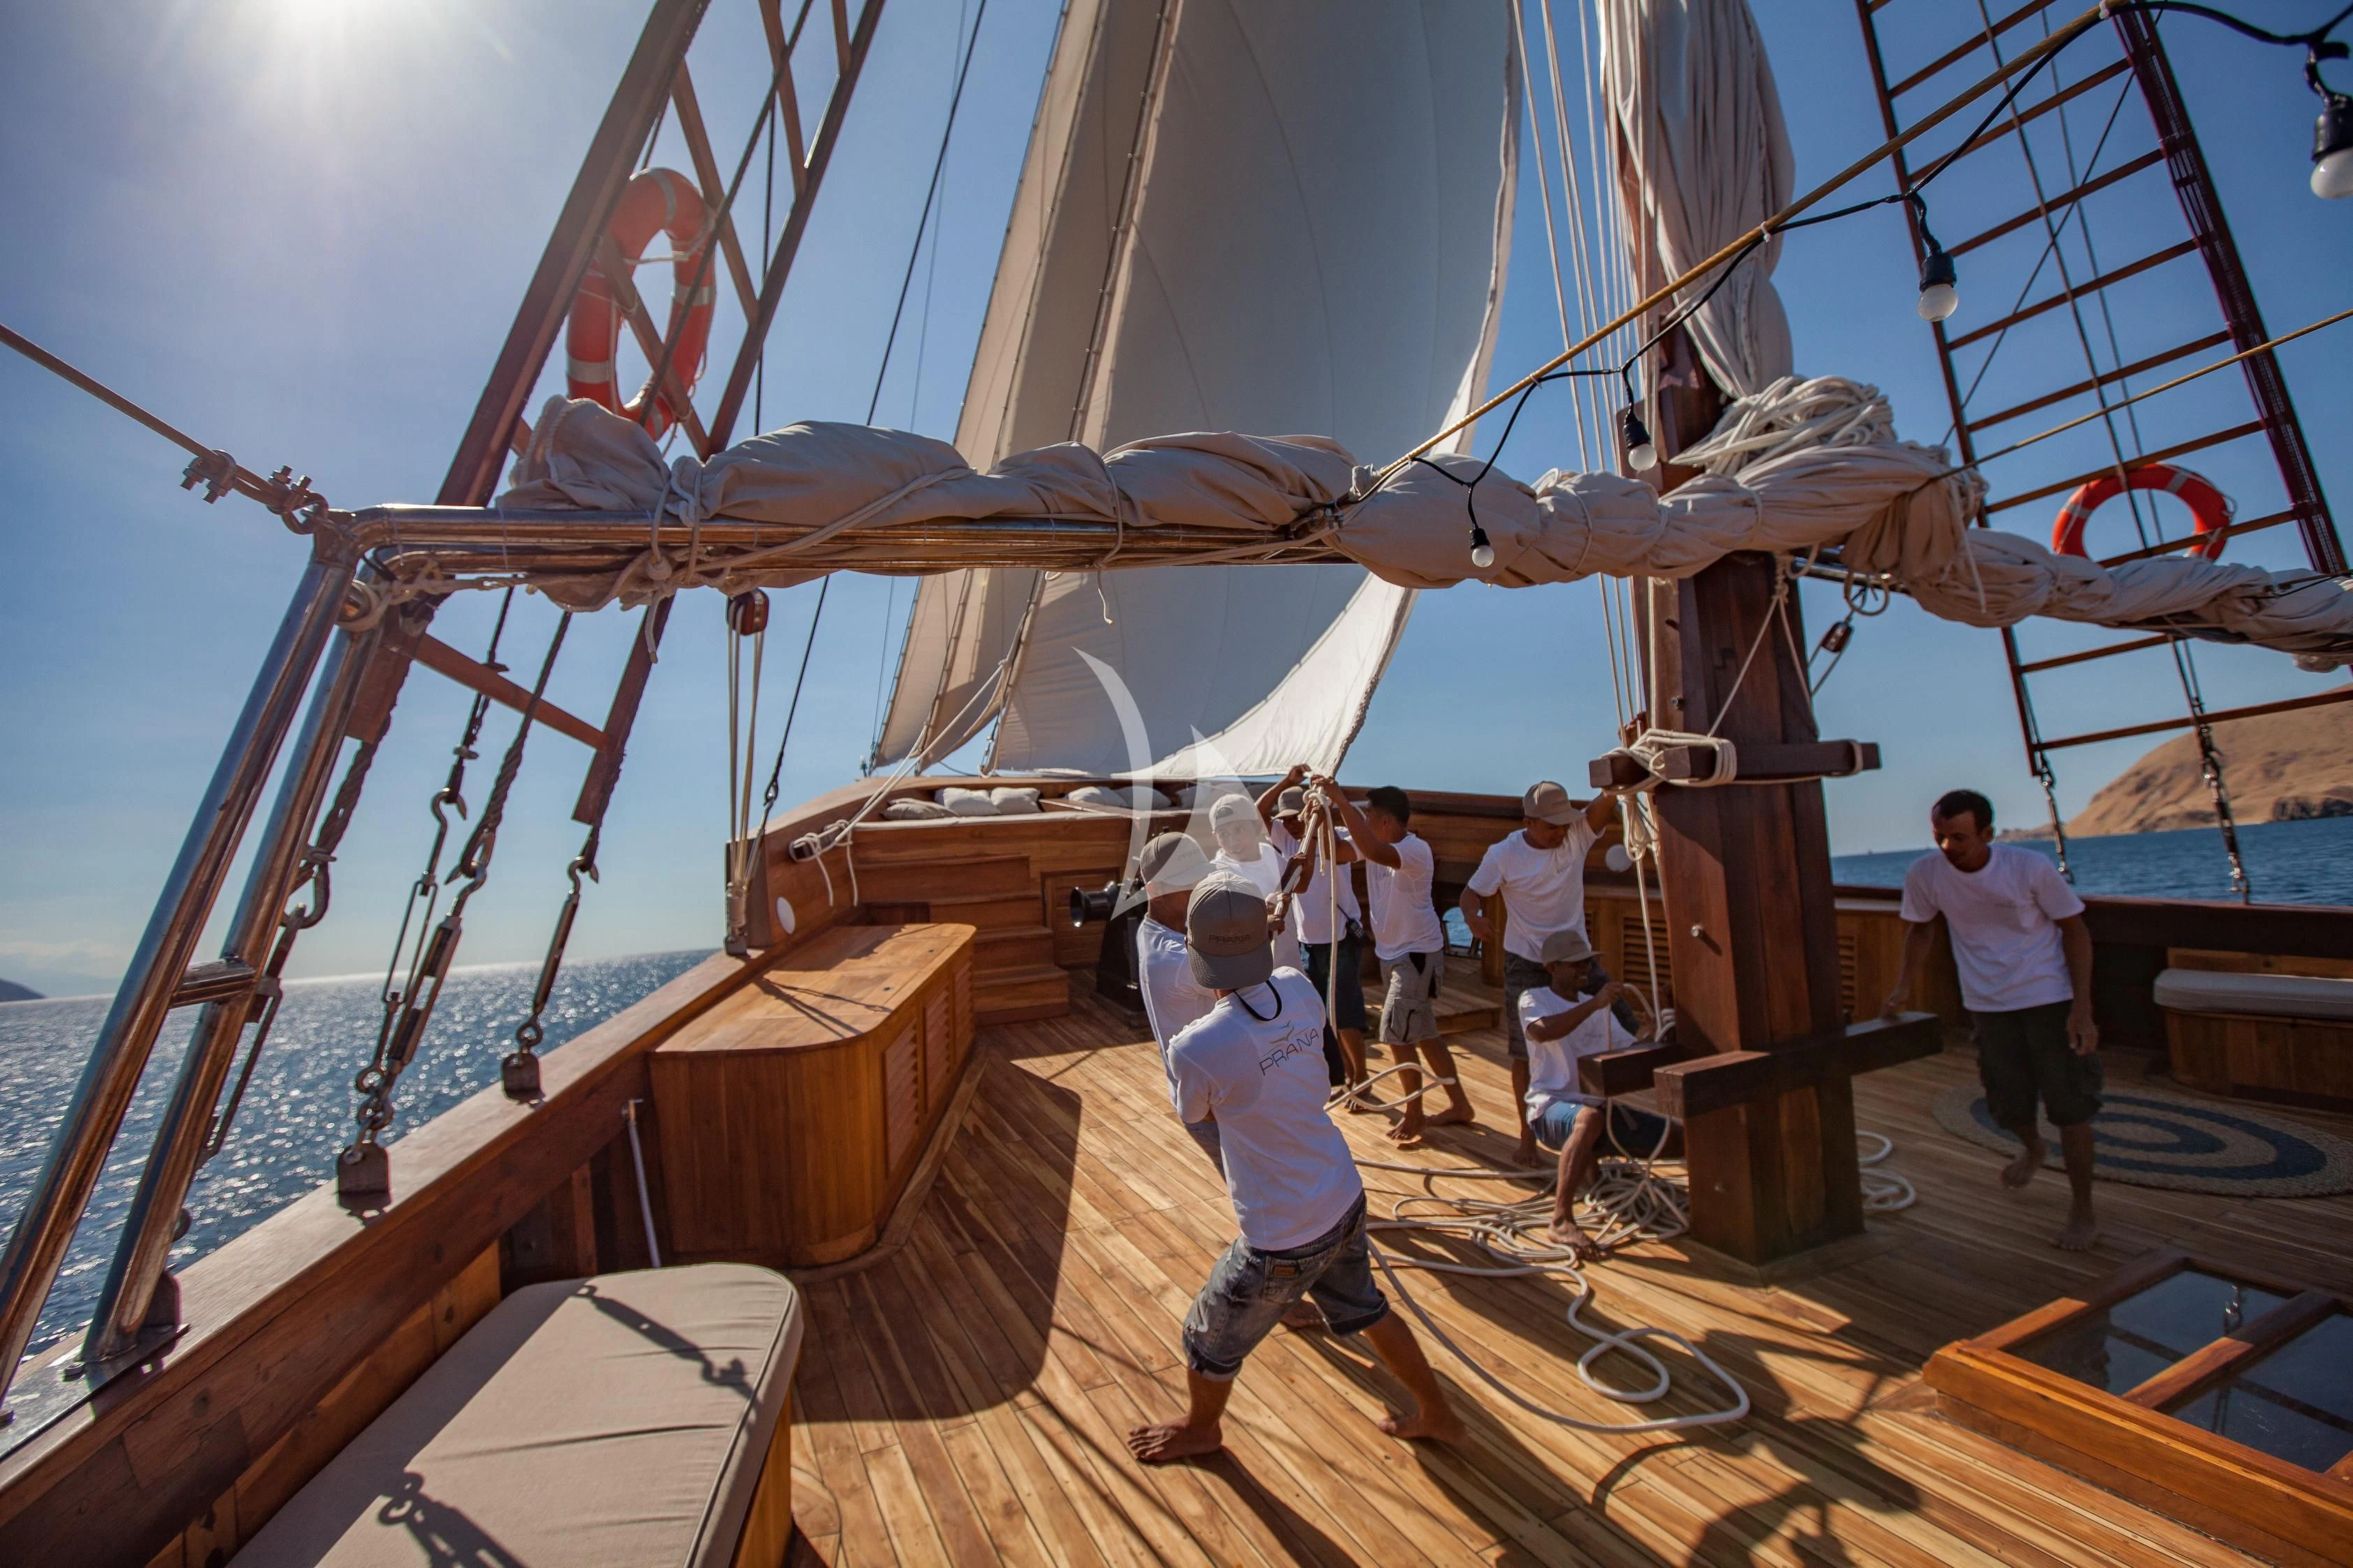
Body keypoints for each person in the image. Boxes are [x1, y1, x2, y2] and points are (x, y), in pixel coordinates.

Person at [1126, 873, 1463, 1463]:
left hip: (1281, 1234)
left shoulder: (1195, 1048)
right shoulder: (1298, 986)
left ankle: (1203, 1428)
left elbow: (1196, 1111)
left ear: (1195, 953)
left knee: (1208, 1337)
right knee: (1365, 1307)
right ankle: (1437, 1411)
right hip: (1342, 1195)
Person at [1882, 788, 2101, 1252]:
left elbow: (2075, 931)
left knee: (2070, 1107)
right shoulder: (1926, 874)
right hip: (1988, 1006)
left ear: (1987, 834)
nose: (1947, 848)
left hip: (2048, 999)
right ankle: (2033, 1146)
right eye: (1939, 836)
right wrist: (1903, 986)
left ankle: (2083, 1210)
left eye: (1959, 838)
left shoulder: (2028, 868)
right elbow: (1921, 929)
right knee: (2006, 1105)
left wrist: (2082, 1009)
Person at [1458, 780, 1623, 1167]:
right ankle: (1528, 1136)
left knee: (1617, 1028)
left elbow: (1606, 800)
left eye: (1564, 823)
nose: (1560, 832)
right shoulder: (1503, 854)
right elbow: (1471, 893)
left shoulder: (1576, 835)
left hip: (1576, 956)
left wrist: (1620, 773)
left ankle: (1595, 1127)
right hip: (1526, 960)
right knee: (1524, 1052)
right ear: (1528, 822)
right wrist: (1471, 917)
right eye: (1551, 826)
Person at [1315, 778, 1473, 1146]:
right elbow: (1333, 853)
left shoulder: (1415, 850)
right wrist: (1321, 817)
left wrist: (1339, 799)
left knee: (1396, 1033)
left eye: (1369, 815)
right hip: (1393, 956)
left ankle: (1414, 1113)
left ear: (1384, 820)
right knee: (1426, 1036)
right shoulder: (1373, 843)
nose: (1365, 820)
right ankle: (1461, 1105)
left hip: (1416, 956)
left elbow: (1369, 848)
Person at [1517, 930, 1672, 1261]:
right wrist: (1593, 1005)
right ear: (1553, 967)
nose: (1584, 968)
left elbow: (1634, 1049)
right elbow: (1542, 1032)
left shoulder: (1600, 1010)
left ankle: (1591, 1168)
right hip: (1549, 1110)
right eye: (1575, 964)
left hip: (1600, 1117)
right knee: (1588, 1118)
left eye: (1586, 962)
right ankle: (1560, 1219)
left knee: (1680, 1139)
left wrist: (1657, 1029)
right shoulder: (1534, 998)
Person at [1260, 766, 1371, 1100]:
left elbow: (1357, 839)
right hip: (1312, 941)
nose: (1291, 823)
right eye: (1286, 818)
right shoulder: (1287, 838)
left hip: (1341, 939)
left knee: (1346, 1013)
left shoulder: (1335, 839)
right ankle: (1346, 1076)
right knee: (1324, 1012)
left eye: (1297, 817)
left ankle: (1361, 1081)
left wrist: (1328, 808)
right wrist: (1289, 782)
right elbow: (1258, 813)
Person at [1133, 830, 1223, 1170]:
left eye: (1201, 881)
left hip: (1202, 1097)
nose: (1200, 892)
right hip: (1214, 1108)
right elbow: (1246, 979)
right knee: (1263, 1201)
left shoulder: (1152, 930)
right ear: (1155, 891)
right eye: (1189, 887)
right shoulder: (1174, 959)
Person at [1209, 790, 1306, 977]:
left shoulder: (1269, 853)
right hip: (1256, 980)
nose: (1232, 840)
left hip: (1291, 967)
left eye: (1239, 830)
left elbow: (1299, 886)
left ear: (1255, 827)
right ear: (1215, 837)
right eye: (1224, 834)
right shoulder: (1217, 874)